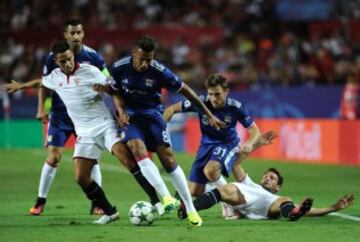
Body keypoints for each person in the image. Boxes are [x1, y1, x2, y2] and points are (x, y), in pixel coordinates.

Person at [7, 19, 163, 216]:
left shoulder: (90, 70)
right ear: (56, 62)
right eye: (63, 61)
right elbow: (42, 83)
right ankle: (108, 211)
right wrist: (21, 86)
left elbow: (114, 88)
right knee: (81, 177)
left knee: (127, 160)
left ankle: (156, 200)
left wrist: (118, 108)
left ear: (73, 56)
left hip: (105, 125)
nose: (68, 63)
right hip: (84, 132)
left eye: (69, 59)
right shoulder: (55, 76)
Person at [94, 36, 225, 226]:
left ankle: (190, 207)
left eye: (149, 59)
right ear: (134, 54)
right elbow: (116, 92)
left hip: (153, 115)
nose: (145, 63)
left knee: (168, 159)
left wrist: (209, 114)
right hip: (131, 116)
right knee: (137, 148)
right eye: (142, 59)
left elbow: (187, 91)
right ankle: (166, 197)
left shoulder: (160, 71)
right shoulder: (120, 67)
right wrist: (121, 112)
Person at [163, 74, 261, 217]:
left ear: (226, 92)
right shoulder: (200, 103)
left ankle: (231, 205)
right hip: (205, 147)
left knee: (211, 170)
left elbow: (255, 131)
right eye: (210, 94)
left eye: (217, 94)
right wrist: (161, 130)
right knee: (195, 191)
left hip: (228, 144)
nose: (214, 98)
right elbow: (171, 109)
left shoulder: (235, 107)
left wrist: (249, 143)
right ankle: (224, 192)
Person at [178, 164, 355, 221]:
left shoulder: (278, 196)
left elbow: (310, 210)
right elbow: (235, 164)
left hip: (267, 207)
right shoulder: (249, 184)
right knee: (225, 189)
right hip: (245, 200)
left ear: (277, 186)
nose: (267, 179)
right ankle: (189, 208)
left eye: (272, 178)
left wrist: (333, 208)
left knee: (287, 202)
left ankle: (292, 213)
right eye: (266, 176)